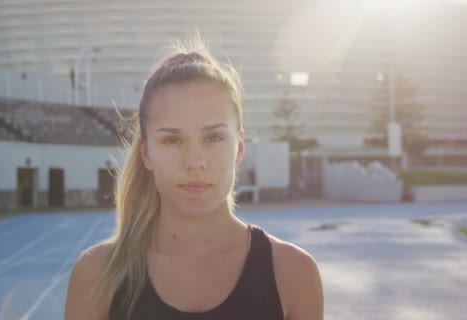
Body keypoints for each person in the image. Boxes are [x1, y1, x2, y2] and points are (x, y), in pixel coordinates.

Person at [65, 36, 324, 320]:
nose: (195, 161)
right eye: (172, 140)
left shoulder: (293, 274)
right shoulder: (97, 275)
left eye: (213, 137)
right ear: (147, 154)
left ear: (238, 148)